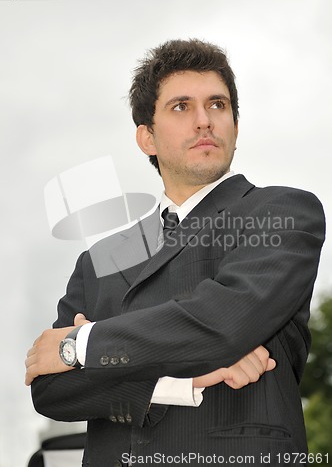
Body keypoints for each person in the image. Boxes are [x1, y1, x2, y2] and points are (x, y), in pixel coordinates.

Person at [25, 39, 325, 467]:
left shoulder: (281, 212)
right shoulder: (99, 260)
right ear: (146, 137)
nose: (204, 121)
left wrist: (80, 344)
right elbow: (51, 390)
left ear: (236, 127)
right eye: (182, 107)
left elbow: (223, 321)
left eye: (217, 105)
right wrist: (178, 380)